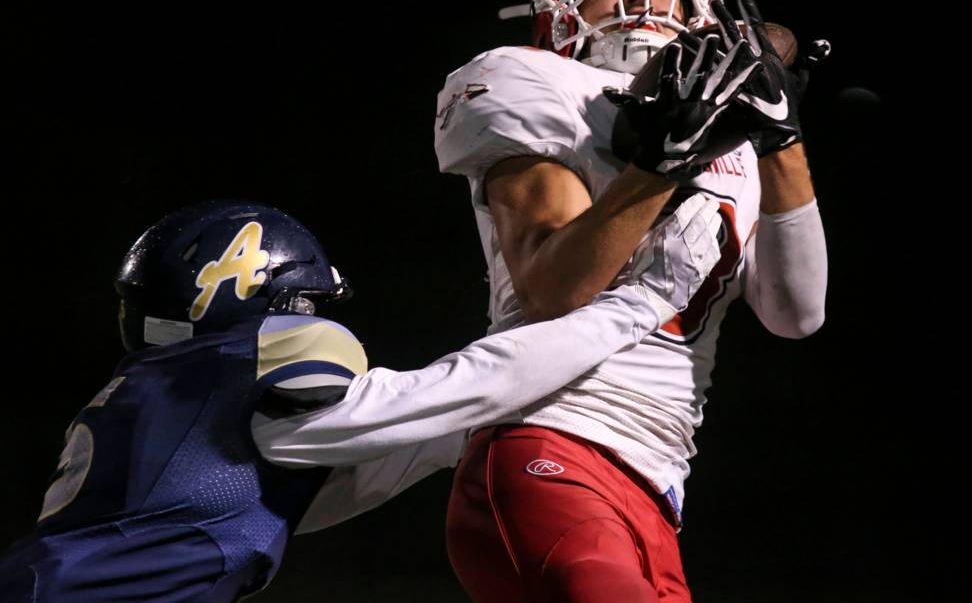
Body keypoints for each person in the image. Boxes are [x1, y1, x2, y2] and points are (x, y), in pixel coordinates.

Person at [0, 196, 722, 602]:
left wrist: (505, 422)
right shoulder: (247, 355)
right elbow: (438, 396)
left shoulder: (155, 398)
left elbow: (320, 488)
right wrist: (635, 306)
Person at [433, 0, 829, 601]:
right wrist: (662, 164)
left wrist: (779, 135)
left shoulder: (734, 139)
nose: (643, 6)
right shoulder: (539, 83)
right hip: (551, 443)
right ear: (559, 16)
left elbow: (797, 314)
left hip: (657, 489)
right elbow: (556, 289)